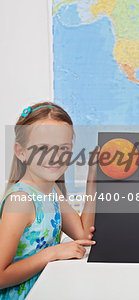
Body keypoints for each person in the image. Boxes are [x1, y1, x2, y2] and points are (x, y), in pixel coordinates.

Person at [0, 102, 97, 299]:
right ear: (21, 152)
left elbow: (84, 235)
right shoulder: (21, 200)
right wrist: (51, 254)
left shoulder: (51, 191)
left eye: (63, 148)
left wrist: (92, 181)